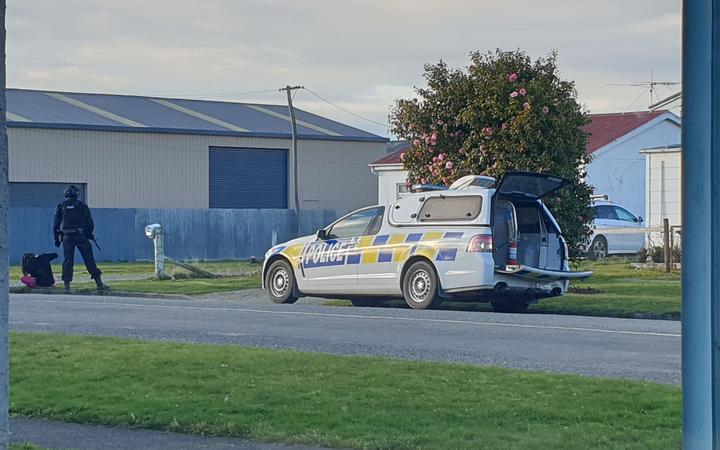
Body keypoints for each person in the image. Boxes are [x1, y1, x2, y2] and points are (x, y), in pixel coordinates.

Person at [53, 185, 107, 291]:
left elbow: (55, 225)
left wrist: (57, 239)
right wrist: (88, 234)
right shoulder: (82, 206)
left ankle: (67, 286)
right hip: (80, 236)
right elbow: (89, 222)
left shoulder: (61, 206)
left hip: (67, 237)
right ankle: (99, 283)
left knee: (68, 261)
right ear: (76, 194)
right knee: (89, 260)